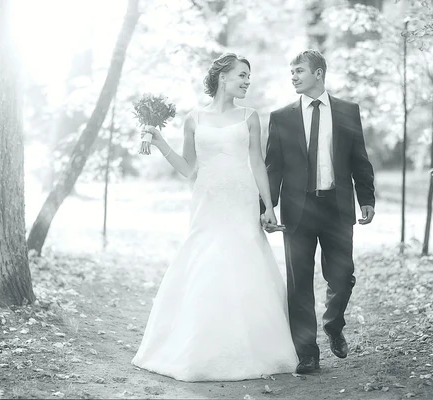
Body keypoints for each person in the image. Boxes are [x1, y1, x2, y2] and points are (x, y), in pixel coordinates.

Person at [131, 53, 298, 382]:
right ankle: (197, 349)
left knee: (245, 266)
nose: (247, 81)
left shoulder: (250, 116)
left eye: (248, 77)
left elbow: (258, 163)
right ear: (223, 77)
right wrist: (160, 140)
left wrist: (268, 206)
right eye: (242, 75)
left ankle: (255, 349)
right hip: (207, 201)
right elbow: (188, 169)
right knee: (205, 266)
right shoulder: (193, 119)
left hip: (242, 200)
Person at [261, 49, 375, 374]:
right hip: (298, 209)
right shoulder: (281, 117)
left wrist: (366, 197)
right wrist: (267, 208)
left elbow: (359, 159)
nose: (293, 76)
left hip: (337, 207)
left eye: (299, 71)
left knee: (342, 277)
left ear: (319, 73)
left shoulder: (348, 111)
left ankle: (334, 324)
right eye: (291, 72)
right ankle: (307, 354)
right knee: (298, 285)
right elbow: (273, 168)